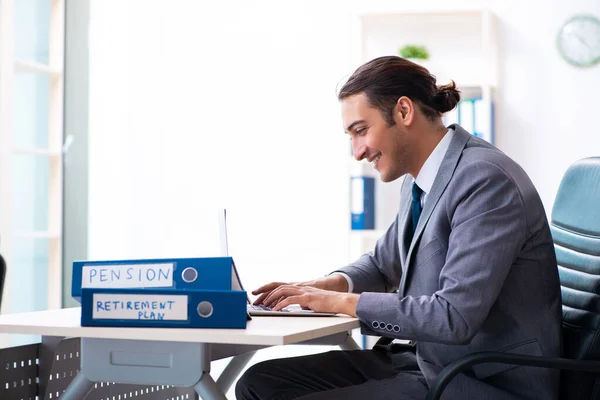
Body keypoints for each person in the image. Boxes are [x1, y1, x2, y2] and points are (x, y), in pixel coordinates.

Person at [235, 56, 561, 400]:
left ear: (404, 111)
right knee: (259, 383)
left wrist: (337, 301)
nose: (357, 152)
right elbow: (382, 264)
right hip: (427, 360)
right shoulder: (420, 178)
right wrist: (325, 285)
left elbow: (453, 316)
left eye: (361, 130)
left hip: (480, 380)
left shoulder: (484, 180)